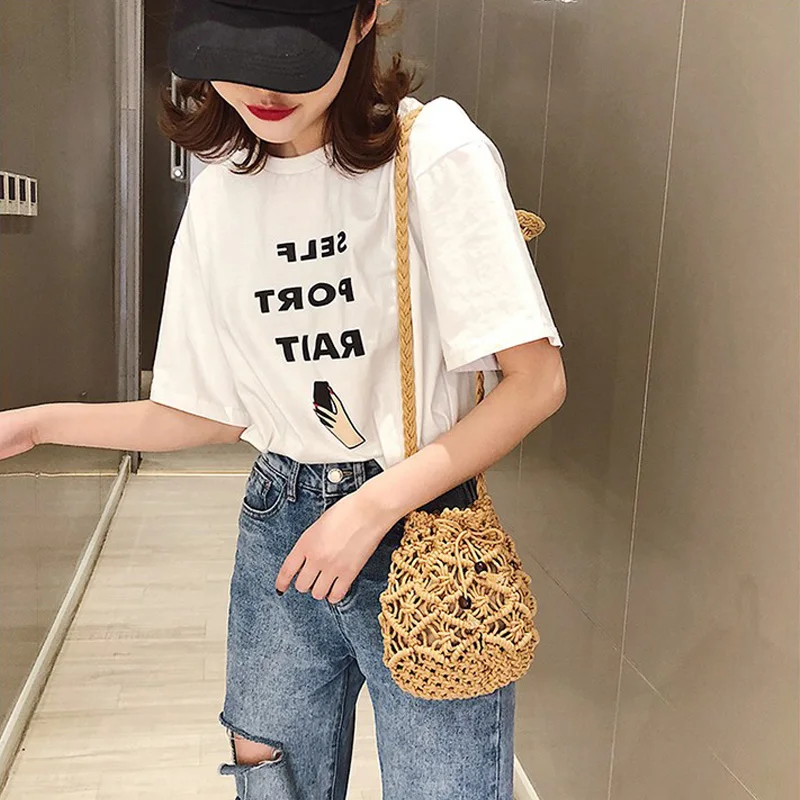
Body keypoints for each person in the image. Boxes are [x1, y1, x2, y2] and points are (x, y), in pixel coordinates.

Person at [0, 0, 566, 797]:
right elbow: (207, 410)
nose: (262, 89)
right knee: (271, 784)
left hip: (424, 530)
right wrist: (37, 425)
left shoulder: (433, 150)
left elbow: (537, 381)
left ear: (363, 18)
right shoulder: (222, 194)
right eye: (235, 55)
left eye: (290, 56)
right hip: (279, 530)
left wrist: (369, 509)